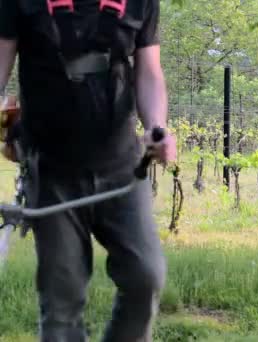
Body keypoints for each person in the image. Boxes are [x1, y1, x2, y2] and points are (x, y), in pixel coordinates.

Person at [0, 0, 177, 340]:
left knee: (146, 276)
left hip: (123, 170)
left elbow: (149, 72)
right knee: (61, 303)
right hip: (52, 172)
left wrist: (158, 126)